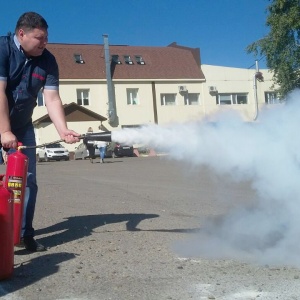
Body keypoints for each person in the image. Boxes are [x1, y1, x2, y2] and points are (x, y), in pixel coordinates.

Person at [0, 12, 80, 252]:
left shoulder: (48, 60)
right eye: (39, 38)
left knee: (28, 181)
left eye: (46, 38)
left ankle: (25, 234)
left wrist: (63, 130)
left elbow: (52, 98)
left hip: (22, 126)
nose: (44, 43)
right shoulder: (2, 50)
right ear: (21, 34)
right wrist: (4, 131)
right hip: (2, 122)